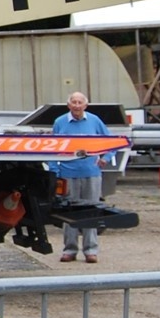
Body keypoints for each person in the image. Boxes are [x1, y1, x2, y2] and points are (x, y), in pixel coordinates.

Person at [52, 90, 108, 263]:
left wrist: (106, 158)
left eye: (80, 102)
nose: (76, 105)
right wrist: (55, 171)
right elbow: (53, 148)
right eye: (73, 102)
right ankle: (69, 250)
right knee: (69, 213)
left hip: (91, 174)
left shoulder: (95, 121)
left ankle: (91, 250)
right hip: (68, 174)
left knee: (91, 211)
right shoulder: (60, 122)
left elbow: (111, 141)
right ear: (68, 105)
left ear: (85, 105)